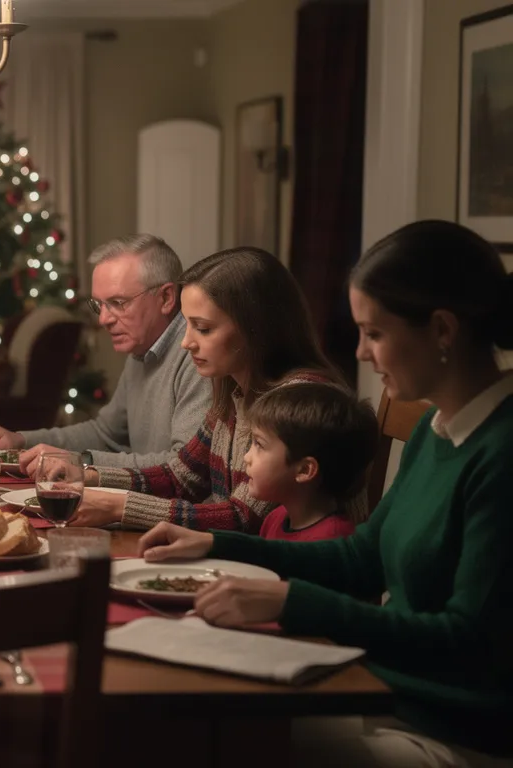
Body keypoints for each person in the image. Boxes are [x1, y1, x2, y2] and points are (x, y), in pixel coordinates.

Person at [140, 220, 513, 766]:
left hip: (451, 732)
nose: (360, 353)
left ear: (442, 330)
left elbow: (467, 641)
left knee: (190, 736)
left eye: (376, 334)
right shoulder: (437, 430)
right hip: (382, 694)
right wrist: (215, 546)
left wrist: (295, 602)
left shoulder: (499, 454)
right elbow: (361, 559)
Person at [60, 246, 348, 532]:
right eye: (187, 325)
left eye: (203, 328)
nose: (186, 343)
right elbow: (180, 478)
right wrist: (91, 475)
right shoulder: (233, 392)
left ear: (255, 328)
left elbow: (243, 518)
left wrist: (120, 506)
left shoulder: (298, 402)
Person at [0, 234, 210, 469]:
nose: (104, 319)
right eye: (99, 305)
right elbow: (104, 434)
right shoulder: (141, 349)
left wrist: (81, 461)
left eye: (118, 303)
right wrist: (20, 440)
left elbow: (183, 468)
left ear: (166, 297)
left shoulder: (198, 358)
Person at [242, 382, 376, 542]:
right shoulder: (276, 518)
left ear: (304, 470)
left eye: (259, 444)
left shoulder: (332, 541)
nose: (246, 457)